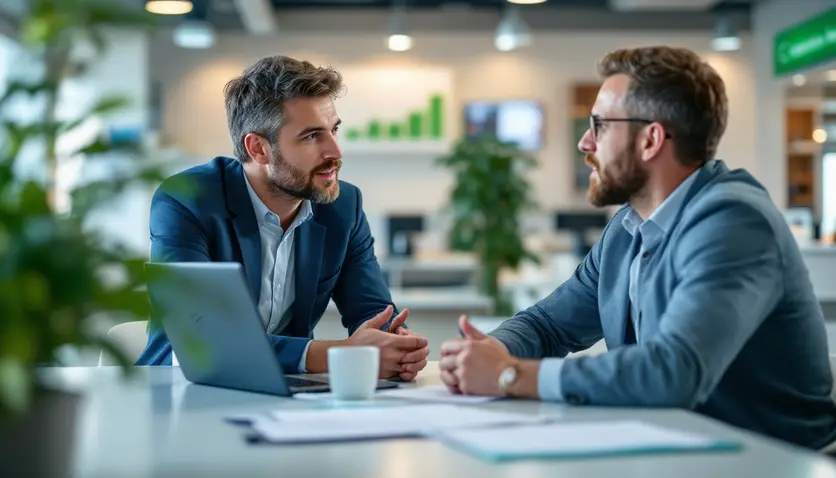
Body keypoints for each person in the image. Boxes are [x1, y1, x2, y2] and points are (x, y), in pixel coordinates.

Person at [440, 46, 836, 450]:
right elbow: (550, 325)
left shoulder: (732, 220)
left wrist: (510, 375)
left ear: (650, 139)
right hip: (678, 448)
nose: (584, 143)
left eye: (599, 125)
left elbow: (673, 372)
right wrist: (492, 349)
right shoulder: (627, 230)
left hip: (768, 461)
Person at [136, 55, 429, 381]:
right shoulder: (186, 199)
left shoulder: (343, 206)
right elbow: (199, 340)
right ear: (259, 148)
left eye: (333, 130)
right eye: (311, 136)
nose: (335, 151)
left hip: (288, 394)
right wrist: (342, 354)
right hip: (179, 390)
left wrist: (394, 344)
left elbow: (372, 311)